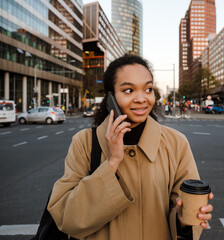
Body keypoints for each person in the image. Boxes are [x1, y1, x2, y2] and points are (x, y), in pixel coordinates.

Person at [47, 54, 213, 240]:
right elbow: (66, 217)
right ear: (110, 97)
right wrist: (112, 162)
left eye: (148, 89)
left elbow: (184, 215)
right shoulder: (84, 142)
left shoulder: (176, 143)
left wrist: (183, 220)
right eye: (128, 91)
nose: (141, 99)